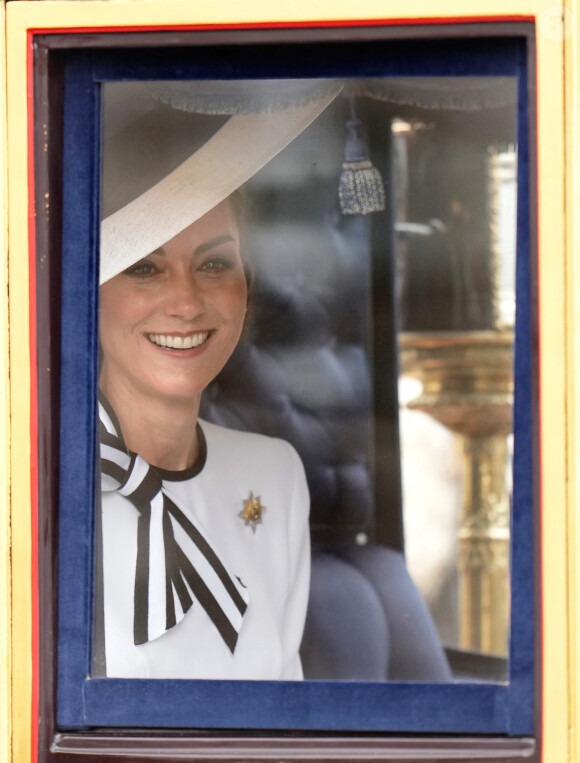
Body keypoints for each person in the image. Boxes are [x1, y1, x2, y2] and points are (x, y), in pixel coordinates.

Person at [95, 80, 341, 680]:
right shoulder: (28, 487)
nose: (185, 301)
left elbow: (283, 709)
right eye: (144, 268)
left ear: (246, 283)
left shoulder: (274, 476)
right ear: (89, 292)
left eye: (213, 264)